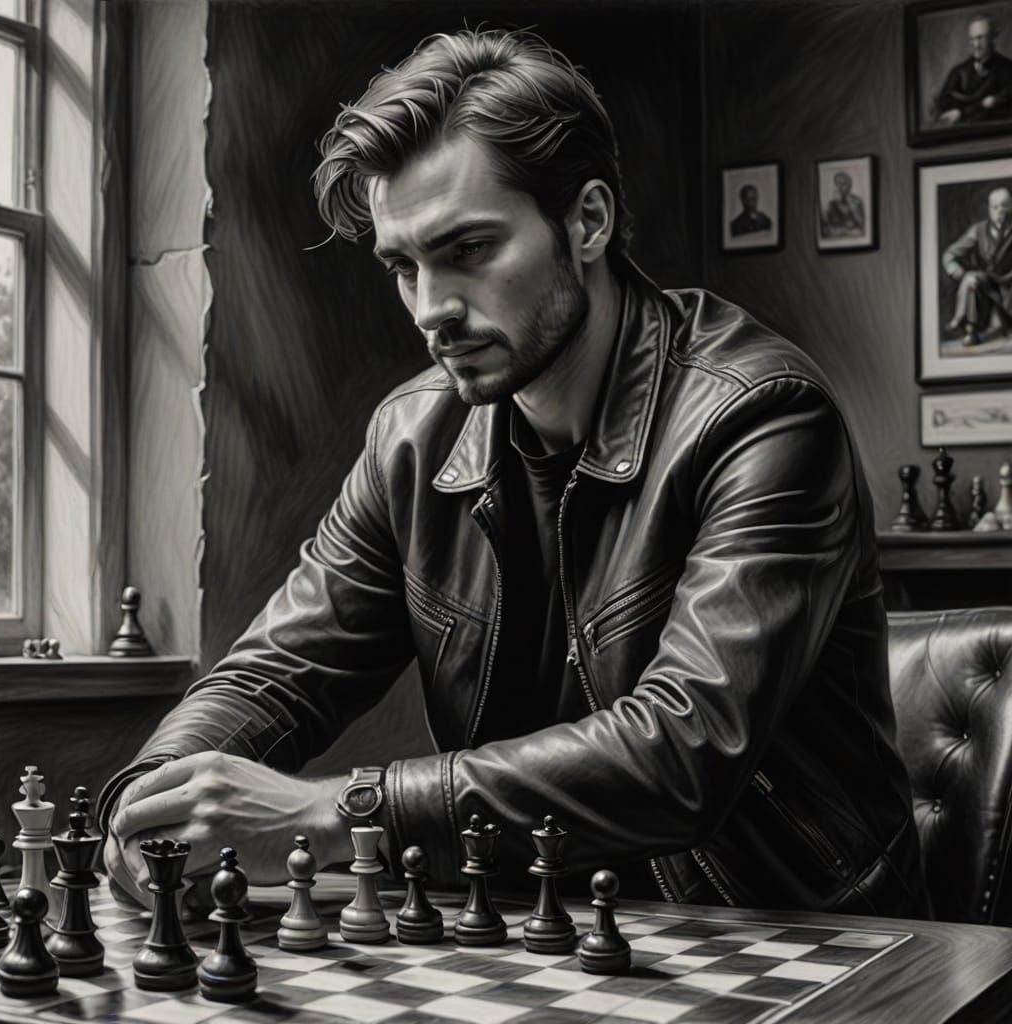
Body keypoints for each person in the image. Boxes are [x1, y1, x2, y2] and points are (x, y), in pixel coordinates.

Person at [100, 27, 927, 919]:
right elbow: (277, 673)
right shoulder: (412, 441)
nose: (431, 309)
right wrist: (152, 797)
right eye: (403, 266)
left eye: (468, 250)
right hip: (532, 926)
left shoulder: (760, 415)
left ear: (588, 221)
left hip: (794, 933)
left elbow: (683, 752)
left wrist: (338, 813)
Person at [942, 185, 1012, 347]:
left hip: (1009, 284)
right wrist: (954, 270)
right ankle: (970, 330)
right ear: (989, 209)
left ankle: (959, 320)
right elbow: (949, 255)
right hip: (988, 283)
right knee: (971, 280)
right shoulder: (978, 230)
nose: (1000, 211)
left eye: (1004, 205)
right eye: (995, 207)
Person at [936, 14, 1012, 125]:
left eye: (980, 38)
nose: (976, 44)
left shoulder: (1008, 68)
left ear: (993, 38)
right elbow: (943, 106)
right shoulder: (958, 72)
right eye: (972, 39)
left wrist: (962, 112)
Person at [821, 171, 865, 238]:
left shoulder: (857, 201)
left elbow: (862, 225)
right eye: (837, 184)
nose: (840, 187)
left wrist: (851, 205)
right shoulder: (830, 205)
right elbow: (826, 228)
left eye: (843, 184)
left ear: (850, 186)